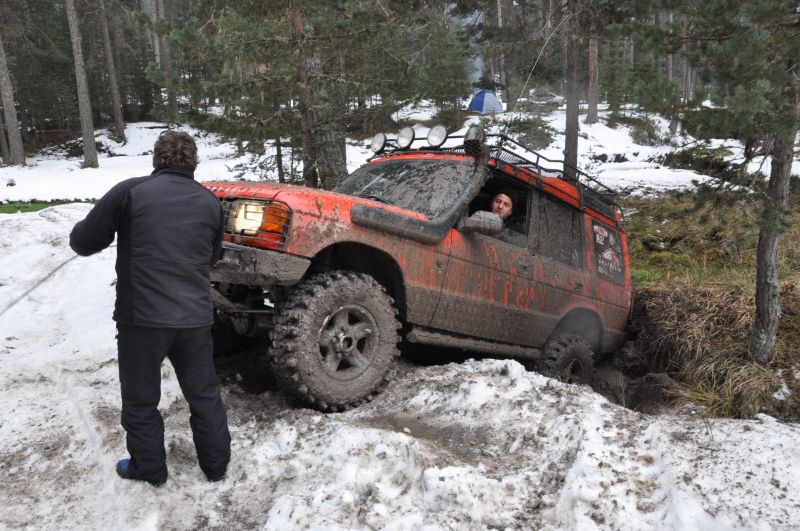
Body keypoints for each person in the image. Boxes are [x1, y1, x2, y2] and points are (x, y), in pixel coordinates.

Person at [69, 130, 230, 487]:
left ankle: (149, 469)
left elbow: (83, 241)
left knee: (141, 401)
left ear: (156, 159)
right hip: (194, 318)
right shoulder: (210, 203)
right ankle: (216, 466)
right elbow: (213, 257)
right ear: (194, 162)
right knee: (204, 395)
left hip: (142, 319)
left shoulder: (130, 191)